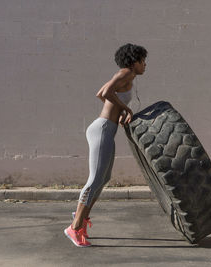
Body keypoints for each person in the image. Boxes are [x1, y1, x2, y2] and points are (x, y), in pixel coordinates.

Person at [64, 43, 147, 247]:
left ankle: (81, 219)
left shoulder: (125, 74)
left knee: (104, 177)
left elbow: (103, 94)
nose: (145, 65)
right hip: (102, 129)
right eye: (142, 61)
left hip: (105, 129)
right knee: (94, 179)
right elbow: (104, 92)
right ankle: (74, 227)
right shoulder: (126, 73)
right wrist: (124, 108)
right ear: (133, 62)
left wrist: (118, 111)